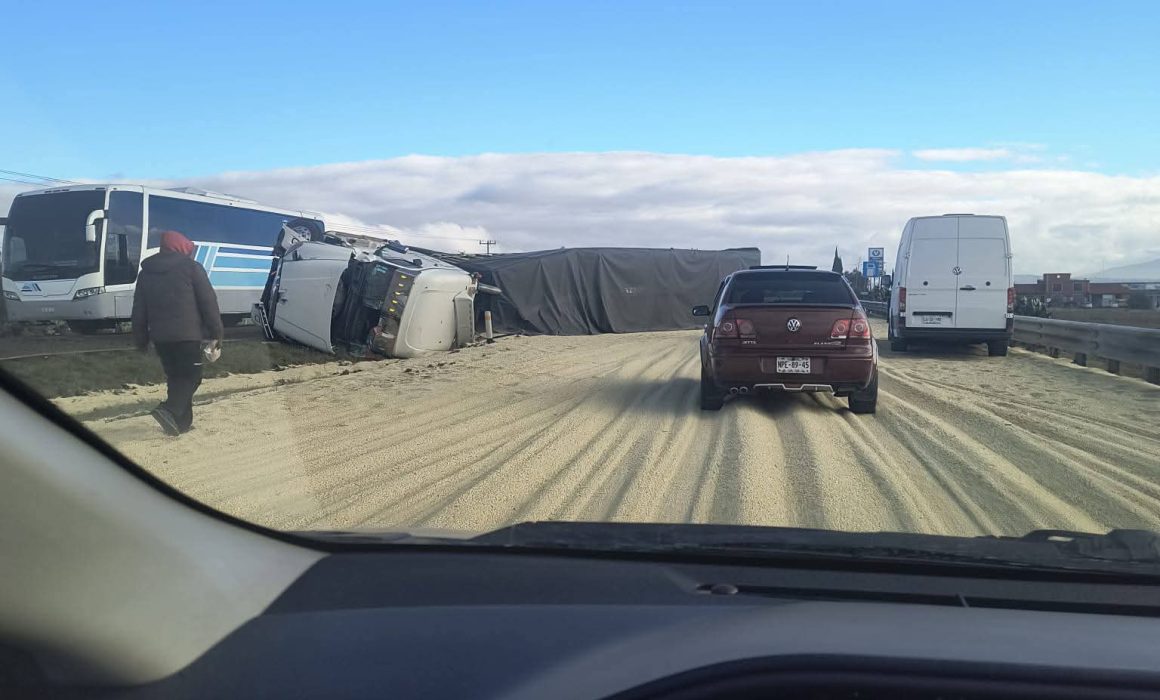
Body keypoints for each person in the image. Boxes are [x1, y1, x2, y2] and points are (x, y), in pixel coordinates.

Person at [132, 231, 224, 436]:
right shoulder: (191, 268)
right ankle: (168, 409)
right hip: (187, 336)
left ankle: (180, 424)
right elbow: (208, 303)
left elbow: (139, 308)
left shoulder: (146, 273)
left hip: (161, 338)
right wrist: (217, 333)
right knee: (191, 378)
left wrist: (141, 339)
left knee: (176, 378)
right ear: (183, 247)